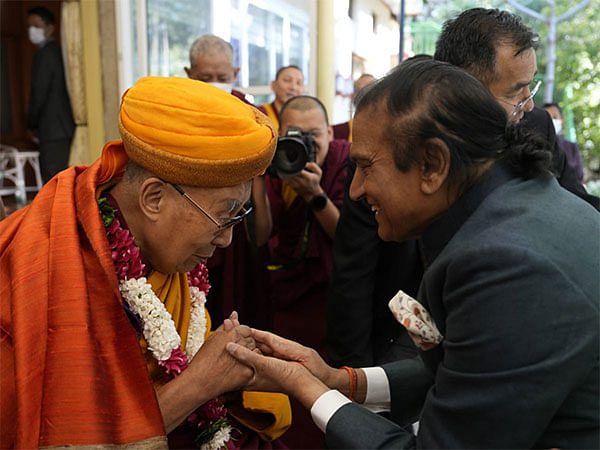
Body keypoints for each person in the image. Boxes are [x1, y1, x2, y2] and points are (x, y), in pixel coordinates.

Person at [227, 58, 600, 448]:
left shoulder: (506, 263)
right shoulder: (516, 206)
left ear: (432, 165)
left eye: (366, 167)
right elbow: (472, 371)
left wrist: (312, 392)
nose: (355, 190)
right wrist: (340, 381)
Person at [0, 77, 291, 448]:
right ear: (153, 198)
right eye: (224, 215)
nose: (226, 238)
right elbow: (72, 435)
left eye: (238, 217)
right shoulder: (49, 268)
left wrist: (218, 362)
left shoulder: (163, 252)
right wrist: (200, 382)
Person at [328, 6, 599, 373]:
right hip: (407, 331)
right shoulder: (386, 141)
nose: (530, 104)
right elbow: (354, 270)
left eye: (530, 86)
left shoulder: (531, 128)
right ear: (460, 89)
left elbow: (572, 209)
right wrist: (349, 379)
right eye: (517, 91)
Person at [252, 95, 349, 449]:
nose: (306, 144)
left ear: (330, 132)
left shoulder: (345, 161)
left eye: (314, 134)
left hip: (331, 302)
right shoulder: (277, 164)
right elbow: (262, 236)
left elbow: (348, 240)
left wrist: (314, 194)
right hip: (286, 300)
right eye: (294, 134)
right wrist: (257, 178)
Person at [26, 6, 75, 183]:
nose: (31, 30)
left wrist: (31, 124)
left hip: (54, 129)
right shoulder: (54, 51)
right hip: (59, 129)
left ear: (50, 28)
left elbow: (39, 92)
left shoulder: (46, 54)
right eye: (29, 25)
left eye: (36, 25)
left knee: (55, 181)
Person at [185, 34, 252, 106]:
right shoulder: (178, 106)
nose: (215, 86)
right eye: (205, 79)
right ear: (189, 74)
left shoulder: (248, 110)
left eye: (222, 79)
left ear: (235, 74)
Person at [544, 102, 584, 182]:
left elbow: (579, 176)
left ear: (562, 120)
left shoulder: (571, 147)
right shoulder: (533, 145)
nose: (551, 121)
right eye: (548, 117)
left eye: (555, 117)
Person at [259, 65, 305, 130]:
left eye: (299, 83)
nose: (293, 87)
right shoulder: (260, 114)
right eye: (287, 80)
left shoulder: (306, 119)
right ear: (274, 85)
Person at [332, 73, 375, 142]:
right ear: (353, 96)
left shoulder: (386, 129)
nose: (362, 95)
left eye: (367, 90)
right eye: (358, 90)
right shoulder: (339, 131)